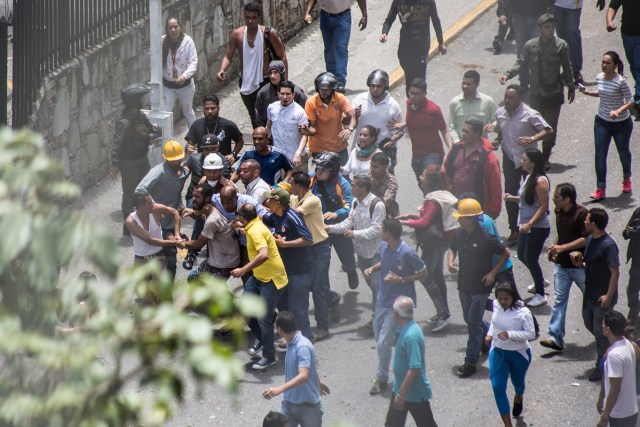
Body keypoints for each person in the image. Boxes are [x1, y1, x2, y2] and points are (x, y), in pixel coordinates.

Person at [500, 13, 575, 169]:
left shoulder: (561, 45)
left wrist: (571, 86)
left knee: (550, 125)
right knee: (532, 124)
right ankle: (531, 156)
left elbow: (568, 67)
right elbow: (520, 63)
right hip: (536, 92)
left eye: (552, 27)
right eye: (547, 27)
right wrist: (508, 75)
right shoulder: (530, 45)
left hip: (553, 91)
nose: (550, 30)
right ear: (539, 29)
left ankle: (546, 157)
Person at [363, 219, 427, 396]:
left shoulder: (407, 252)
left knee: (383, 341)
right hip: (381, 300)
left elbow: (423, 273)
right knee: (380, 339)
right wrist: (372, 268)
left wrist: (402, 280)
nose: (380, 232)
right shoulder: (384, 246)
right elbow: (385, 263)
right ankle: (402, 361)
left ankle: (381, 378)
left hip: (397, 304)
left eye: (382, 229)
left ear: (389, 232)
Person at [448, 198, 510, 378]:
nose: (458, 220)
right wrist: (450, 261)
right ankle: (488, 332)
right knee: (470, 319)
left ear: (470, 219)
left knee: (473, 324)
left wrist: (492, 273)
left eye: (461, 217)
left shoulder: (485, 238)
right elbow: (452, 248)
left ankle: (470, 362)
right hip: (463, 285)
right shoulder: (459, 234)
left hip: (480, 288)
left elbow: (505, 253)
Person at [397, 165, 458, 332]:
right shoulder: (441, 195)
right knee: (437, 276)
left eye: (423, 175)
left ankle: (443, 312)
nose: (420, 177)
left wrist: (402, 223)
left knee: (425, 276)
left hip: (434, 244)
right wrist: (410, 216)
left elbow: (424, 223)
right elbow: (431, 218)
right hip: (441, 241)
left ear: (430, 180)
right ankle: (443, 312)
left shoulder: (432, 199)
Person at [494, 84, 553, 246]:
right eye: (506, 97)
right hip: (510, 158)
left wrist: (532, 139)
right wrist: (498, 140)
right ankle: (514, 228)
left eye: (511, 97)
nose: (507, 100)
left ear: (520, 98)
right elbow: (502, 131)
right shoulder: (500, 113)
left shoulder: (530, 114)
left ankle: (536, 225)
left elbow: (548, 130)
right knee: (510, 193)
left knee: (533, 194)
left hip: (529, 160)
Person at [233, 203, 288, 370]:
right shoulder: (254, 225)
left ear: (243, 217)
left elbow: (263, 254)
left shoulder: (255, 230)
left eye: (238, 216)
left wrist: (243, 269)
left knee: (264, 319)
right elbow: (249, 231)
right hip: (258, 277)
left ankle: (269, 356)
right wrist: (239, 229)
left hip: (271, 280)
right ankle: (262, 339)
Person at [216, 2, 287, 128]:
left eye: (253, 18)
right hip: (246, 82)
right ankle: (260, 144)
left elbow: (282, 57)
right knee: (254, 117)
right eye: (247, 17)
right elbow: (228, 56)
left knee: (270, 115)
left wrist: (285, 81)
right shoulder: (237, 35)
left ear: (259, 17)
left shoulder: (268, 34)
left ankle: (272, 144)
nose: (250, 21)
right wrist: (222, 70)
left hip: (266, 81)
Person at [570, 208, 620, 382]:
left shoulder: (609, 245)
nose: (584, 222)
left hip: (601, 297)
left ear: (594, 224)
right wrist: (580, 263)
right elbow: (589, 264)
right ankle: (612, 344)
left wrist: (608, 296)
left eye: (587, 220)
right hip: (589, 294)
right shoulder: (590, 239)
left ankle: (602, 365)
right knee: (589, 323)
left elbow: (615, 272)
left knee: (600, 333)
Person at [327, 174, 386, 320]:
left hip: (376, 254)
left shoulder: (377, 205)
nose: (350, 187)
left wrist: (354, 234)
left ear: (363, 188)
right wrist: (329, 228)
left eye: (353, 185)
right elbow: (349, 221)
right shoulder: (355, 202)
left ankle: (378, 320)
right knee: (374, 288)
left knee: (378, 289)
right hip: (362, 253)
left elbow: (377, 230)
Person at [578, 51, 634, 201]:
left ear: (615, 66)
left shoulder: (621, 81)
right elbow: (602, 92)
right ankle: (600, 188)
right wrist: (589, 92)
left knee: (623, 152)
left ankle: (627, 178)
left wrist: (618, 111)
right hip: (602, 121)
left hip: (621, 123)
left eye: (608, 63)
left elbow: (630, 100)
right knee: (600, 154)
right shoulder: (600, 77)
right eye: (603, 62)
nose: (604, 65)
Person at [290, 172, 339, 341]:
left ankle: (322, 327)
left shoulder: (312, 200)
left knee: (316, 288)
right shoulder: (294, 198)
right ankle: (332, 297)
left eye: (292, 184)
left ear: (299, 186)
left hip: (319, 249)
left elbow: (293, 216)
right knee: (313, 286)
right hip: (306, 250)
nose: (290, 186)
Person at [539, 183, 588, 351]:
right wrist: (555, 247)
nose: (553, 200)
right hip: (562, 266)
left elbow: (585, 239)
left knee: (592, 299)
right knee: (559, 300)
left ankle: (605, 331)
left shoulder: (582, 214)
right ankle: (555, 337)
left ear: (567, 199)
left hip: (580, 266)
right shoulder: (559, 211)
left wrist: (563, 248)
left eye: (557, 197)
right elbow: (561, 234)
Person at [262, 188, 315, 341]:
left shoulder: (293, 217)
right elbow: (260, 218)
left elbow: (308, 239)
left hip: (300, 271)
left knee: (298, 309)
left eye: (270, 201)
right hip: (285, 271)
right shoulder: (275, 216)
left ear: (278, 203)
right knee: (285, 307)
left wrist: (285, 244)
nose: (267, 203)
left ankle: (306, 338)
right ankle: (293, 337)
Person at [262, 311, 330, 427]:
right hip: (289, 403)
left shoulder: (302, 346)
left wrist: (279, 389)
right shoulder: (291, 343)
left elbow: (303, 375)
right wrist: (317, 382)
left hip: (308, 406)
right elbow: (310, 368)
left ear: (279, 329)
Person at [135, 140, 191, 280]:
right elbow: (140, 190)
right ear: (165, 158)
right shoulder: (158, 172)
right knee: (149, 260)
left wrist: (180, 205)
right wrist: (155, 207)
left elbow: (177, 193)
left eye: (178, 159)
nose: (176, 162)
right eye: (172, 160)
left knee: (171, 262)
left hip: (170, 224)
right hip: (155, 223)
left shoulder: (183, 174)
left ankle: (167, 293)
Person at [503, 149, 550, 307]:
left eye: (524, 159)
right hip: (525, 226)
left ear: (533, 162)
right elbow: (528, 199)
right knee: (522, 255)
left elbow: (543, 206)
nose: (521, 161)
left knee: (531, 258)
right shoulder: (530, 177)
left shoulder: (540, 180)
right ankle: (540, 279)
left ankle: (541, 294)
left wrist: (530, 224)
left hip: (537, 228)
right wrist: (513, 198)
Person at [110, 83, 159, 235]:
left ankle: (144, 223)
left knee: (145, 191)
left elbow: (150, 131)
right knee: (130, 194)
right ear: (134, 101)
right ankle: (128, 227)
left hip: (142, 159)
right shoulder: (124, 122)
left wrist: (153, 131)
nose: (143, 99)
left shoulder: (141, 116)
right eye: (141, 97)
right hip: (129, 163)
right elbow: (116, 144)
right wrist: (115, 164)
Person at [384, 296, 439, 427]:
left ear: (397, 314)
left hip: (414, 392)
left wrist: (401, 395)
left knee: (426, 424)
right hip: (400, 388)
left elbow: (414, 368)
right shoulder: (405, 329)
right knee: (392, 424)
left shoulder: (411, 336)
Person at [485, 283, 536, 427]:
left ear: (513, 297)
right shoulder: (496, 305)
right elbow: (495, 323)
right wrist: (489, 335)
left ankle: (518, 397)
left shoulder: (523, 312)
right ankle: (508, 424)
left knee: (518, 384)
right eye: (500, 298)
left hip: (519, 354)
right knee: (497, 387)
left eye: (505, 299)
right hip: (498, 352)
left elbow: (531, 334)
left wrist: (510, 335)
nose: (502, 302)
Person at [310, 152, 359, 290]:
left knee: (347, 257)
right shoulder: (311, 178)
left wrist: (336, 214)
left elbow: (350, 206)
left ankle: (351, 270)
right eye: (318, 168)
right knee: (321, 266)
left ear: (333, 171)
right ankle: (327, 296)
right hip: (319, 229)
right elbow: (292, 185)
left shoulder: (343, 185)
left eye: (323, 170)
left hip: (339, 228)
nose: (319, 172)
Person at [125, 191, 185, 301]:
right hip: (141, 261)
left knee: (161, 291)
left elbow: (175, 213)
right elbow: (150, 240)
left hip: (158, 257)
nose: (153, 204)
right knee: (146, 297)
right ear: (140, 206)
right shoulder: (131, 221)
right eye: (149, 202)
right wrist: (175, 243)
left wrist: (177, 234)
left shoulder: (155, 209)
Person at [380, 0, 446, 95]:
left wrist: (440, 42)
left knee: (419, 81)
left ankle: (419, 104)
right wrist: (384, 33)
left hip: (421, 47)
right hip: (405, 48)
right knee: (410, 78)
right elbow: (389, 20)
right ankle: (411, 102)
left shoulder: (428, 1)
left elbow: (435, 19)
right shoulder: (399, 2)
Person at [393, 78, 452, 184]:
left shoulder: (433, 110)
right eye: (411, 93)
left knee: (432, 187)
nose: (412, 96)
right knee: (423, 186)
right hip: (416, 155)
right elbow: (416, 119)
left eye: (417, 94)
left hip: (432, 155)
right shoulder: (409, 104)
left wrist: (451, 149)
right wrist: (404, 124)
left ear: (425, 93)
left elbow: (444, 130)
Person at [443, 116, 502, 220]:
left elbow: (495, 185)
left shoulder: (488, 157)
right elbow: (446, 171)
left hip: (476, 208)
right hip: (453, 204)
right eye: (463, 131)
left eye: (467, 132)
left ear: (477, 133)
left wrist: (493, 211)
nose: (463, 134)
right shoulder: (456, 149)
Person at [182, 152, 232, 270]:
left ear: (221, 171)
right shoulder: (202, 183)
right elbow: (197, 205)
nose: (212, 174)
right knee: (201, 218)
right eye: (209, 171)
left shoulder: (228, 186)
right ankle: (192, 251)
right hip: (206, 216)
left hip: (225, 218)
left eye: (215, 171)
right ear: (204, 171)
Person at [304, 0, 368, 92]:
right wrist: (307, 13)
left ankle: (340, 82)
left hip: (343, 17)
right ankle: (331, 79)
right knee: (329, 50)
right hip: (325, 17)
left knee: (341, 49)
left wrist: (364, 15)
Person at [183, 184, 240, 283]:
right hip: (215, 260)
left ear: (207, 199)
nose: (193, 199)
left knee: (212, 291)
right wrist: (196, 212)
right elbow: (201, 214)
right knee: (193, 279)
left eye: (197, 197)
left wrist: (175, 242)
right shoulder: (210, 209)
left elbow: (197, 244)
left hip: (226, 263)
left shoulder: (212, 220)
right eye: (193, 196)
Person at [302, 72, 357, 165]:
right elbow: (313, 128)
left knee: (344, 176)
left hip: (339, 147)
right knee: (323, 177)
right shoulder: (311, 102)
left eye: (327, 90)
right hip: (319, 149)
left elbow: (353, 116)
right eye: (321, 89)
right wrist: (307, 130)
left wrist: (349, 129)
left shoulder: (340, 98)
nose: (323, 92)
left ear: (333, 89)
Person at [597, 310, 639, 427]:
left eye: (604, 324)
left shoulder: (614, 355)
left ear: (608, 329)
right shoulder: (628, 344)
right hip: (630, 410)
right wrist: (602, 398)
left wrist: (604, 417)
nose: (602, 325)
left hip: (619, 414)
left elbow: (615, 388)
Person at [350, 70, 403, 156]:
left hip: (382, 154)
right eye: (373, 86)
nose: (375, 89)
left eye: (379, 86)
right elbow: (347, 121)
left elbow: (400, 131)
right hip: (360, 152)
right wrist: (354, 116)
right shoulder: (359, 100)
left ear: (385, 87)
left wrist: (392, 141)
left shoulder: (393, 106)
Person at [500, 0, 549, 90]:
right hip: (519, 17)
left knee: (538, 51)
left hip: (539, 16)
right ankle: (524, 83)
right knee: (522, 52)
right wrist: (502, 13)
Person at [184, 95, 244, 162]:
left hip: (223, 164)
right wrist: (188, 147)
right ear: (203, 109)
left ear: (218, 108)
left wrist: (233, 154)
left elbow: (240, 141)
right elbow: (189, 144)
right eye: (207, 108)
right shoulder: (197, 124)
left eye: (213, 108)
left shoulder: (228, 125)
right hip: (202, 164)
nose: (210, 111)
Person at [266, 80, 310, 171]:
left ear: (293, 95)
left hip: (297, 157)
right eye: (282, 94)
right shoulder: (272, 108)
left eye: (288, 94)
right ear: (278, 94)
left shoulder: (300, 112)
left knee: (299, 183)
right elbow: (268, 126)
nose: (285, 97)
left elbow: (305, 135)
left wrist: (298, 153)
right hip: (279, 157)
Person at [162, 17, 197, 127]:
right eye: (170, 27)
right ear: (167, 29)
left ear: (180, 27)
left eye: (175, 27)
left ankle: (194, 139)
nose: (173, 30)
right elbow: (154, 59)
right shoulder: (161, 41)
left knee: (188, 112)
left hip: (185, 85)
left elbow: (193, 62)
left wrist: (184, 76)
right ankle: (166, 141)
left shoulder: (188, 42)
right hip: (167, 85)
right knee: (166, 113)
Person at [607, 0, 640, 111]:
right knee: (633, 66)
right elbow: (613, 6)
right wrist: (609, 21)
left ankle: (639, 98)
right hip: (627, 33)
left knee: (639, 66)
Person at [449, 70, 498, 143]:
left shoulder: (488, 101)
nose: (464, 86)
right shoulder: (454, 102)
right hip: (461, 145)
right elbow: (452, 127)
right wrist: (457, 142)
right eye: (463, 83)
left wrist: (493, 125)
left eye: (468, 84)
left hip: (481, 146)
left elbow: (497, 120)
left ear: (477, 85)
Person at [256, 61, 307, 128]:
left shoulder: (297, 93)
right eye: (270, 73)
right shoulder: (262, 93)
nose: (272, 76)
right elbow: (258, 116)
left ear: (282, 73)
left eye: (275, 72)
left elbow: (306, 113)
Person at [553, 0, 585, 84]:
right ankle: (566, 69)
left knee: (572, 33)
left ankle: (575, 70)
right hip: (556, 4)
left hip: (573, 5)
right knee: (561, 37)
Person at [623, 206, 640, 328]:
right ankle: (634, 310)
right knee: (632, 290)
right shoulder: (638, 211)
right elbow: (626, 231)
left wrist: (636, 233)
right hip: (637, 260)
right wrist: (628, 232)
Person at [369, 152, 399, 219]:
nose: (372, 169)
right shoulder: (369, 177)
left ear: (385, 167)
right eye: (371, 166)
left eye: (375, 167)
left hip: (388, 214)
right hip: (370, 211)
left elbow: (386, 199)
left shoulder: (391, 182)